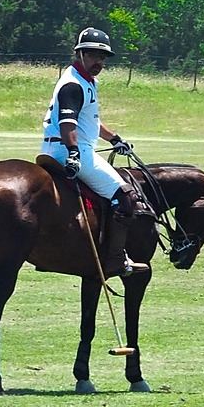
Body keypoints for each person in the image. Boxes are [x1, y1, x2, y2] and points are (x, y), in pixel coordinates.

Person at [39, 27, 149, 277]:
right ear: (80, 54)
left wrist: (114, 138)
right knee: (126, 196)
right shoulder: (73, 84)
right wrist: (74, 152)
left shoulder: (86, 81)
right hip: (70, 149)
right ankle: (116, 259)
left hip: (65, 146)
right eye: (93, 55)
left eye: (103, 57)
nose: (99, 61)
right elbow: (68, 123)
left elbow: (90, 121)